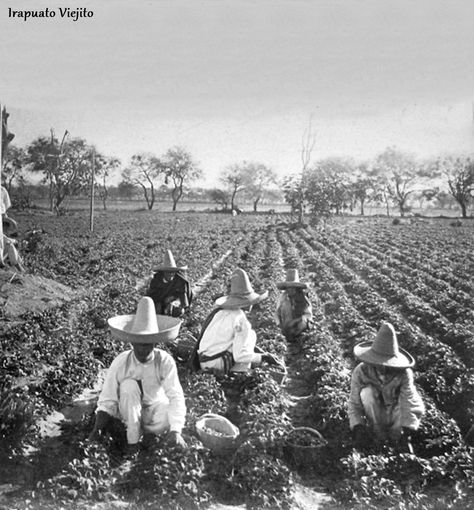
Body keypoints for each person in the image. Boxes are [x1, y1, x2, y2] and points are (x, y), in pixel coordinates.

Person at [88, 297, 187, 455]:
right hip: (128, 412)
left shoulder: (164, 361)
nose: (142, 350)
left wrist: (176, 431)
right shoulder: (121, 362)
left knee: (167, 414)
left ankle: (149, 435)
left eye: (147, 345)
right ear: (131, 343)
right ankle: (132, 440)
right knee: (128, 386)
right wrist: (97, 429)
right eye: (138, 344)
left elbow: (175, 396)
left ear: (155, 343)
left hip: (154, 413)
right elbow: (107, 398)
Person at [348, 322, 425, 452]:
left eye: (388, 364)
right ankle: (379, 436)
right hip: (376, 415)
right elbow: (354, 403)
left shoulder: (404, 374)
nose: (383, 368)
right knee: (367, 393)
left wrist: (406, 434)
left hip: (396, 414)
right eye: (379, 363)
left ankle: (396, 440)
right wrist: (358, 427)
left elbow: (408, 401)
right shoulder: (361, 371)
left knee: (404, 405)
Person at [194, 268, 283, 373]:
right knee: (250, 336)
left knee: (245, 340)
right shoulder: (241, 319)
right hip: (217, 364)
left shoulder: (220, 312)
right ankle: (239, 372)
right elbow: (240, 356)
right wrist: (264, 357)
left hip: (203, 362)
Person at [146, 250, 193, 318]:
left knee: (177, 310)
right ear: (163, 273)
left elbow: (183, 296)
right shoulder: (156, 281)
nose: (170, 274)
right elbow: (152, 296)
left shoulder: (179, 280)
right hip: (159, 302)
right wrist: (160, 302)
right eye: (168, 272)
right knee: (157, 310)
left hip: (173, 302)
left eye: (172, 272)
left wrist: (175, 300)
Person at [276, 269, 312, 339]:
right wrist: (279, 324)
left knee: (302, 324)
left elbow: (308, 315)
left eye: (293, 288)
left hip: (299, 325)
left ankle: (297, 337)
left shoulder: (303, 298)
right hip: (286, 325)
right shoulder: (283, 297)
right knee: (285, 305)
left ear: (296, 288)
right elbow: (277, 313)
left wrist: (295, 321)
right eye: (288, 288)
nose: (290, 290)